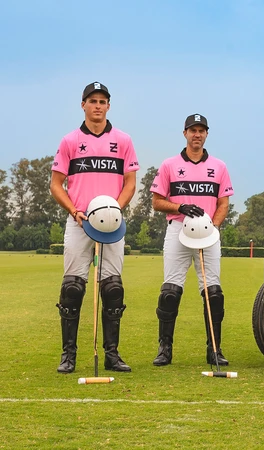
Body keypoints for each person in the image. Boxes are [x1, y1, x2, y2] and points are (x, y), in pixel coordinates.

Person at [50, 81, 139, 373]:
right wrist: (73, 210)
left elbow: (129, 183)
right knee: (73, 288)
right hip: (79, 222)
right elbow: (56, 184)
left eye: (102, 101)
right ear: (83, 105)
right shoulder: (70, 141)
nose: (97, 106)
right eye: (92, 101)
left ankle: (112, 354)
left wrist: (116, 209)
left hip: (112, 225)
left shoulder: (123, 140)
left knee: (112, 288)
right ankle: (68, 355)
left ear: (108, 106)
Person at [150, 114, 234, 366]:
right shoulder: (169, 165)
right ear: (184, 133)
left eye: (201, 130)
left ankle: (214, 349)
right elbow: (156, 201)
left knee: (213, 292)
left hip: (208, 234)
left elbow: (223, 202)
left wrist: (214, 226)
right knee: (170, 291)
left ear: (207, 134)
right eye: (192, 130)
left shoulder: (219, 167)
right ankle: (165, 349)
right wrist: (181, 206)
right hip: (178, 229)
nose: (197, 135)